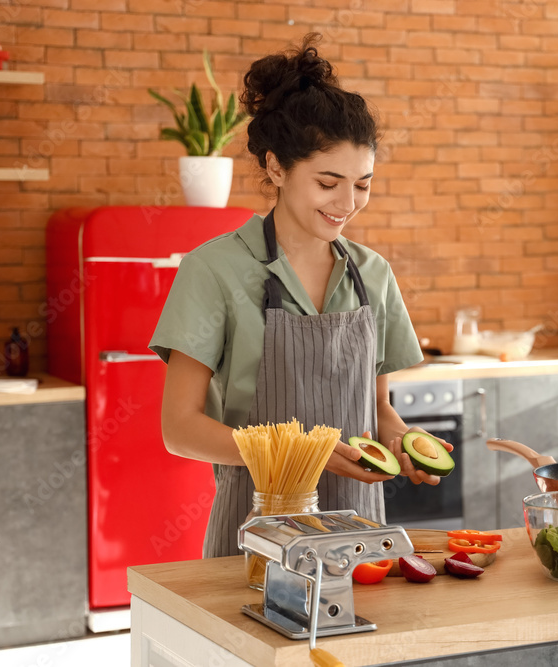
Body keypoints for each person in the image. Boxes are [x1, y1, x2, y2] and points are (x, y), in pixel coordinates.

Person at [149, 33, 450, 558]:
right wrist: (303, 452)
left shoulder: (371, 274)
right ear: (275, 167)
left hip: (360, 536)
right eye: (328, 182)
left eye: (362, 183)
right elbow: (180, 429)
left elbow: (377, 409)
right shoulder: (213, 270)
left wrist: (400, 440)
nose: (348, 203)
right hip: (255, 534)